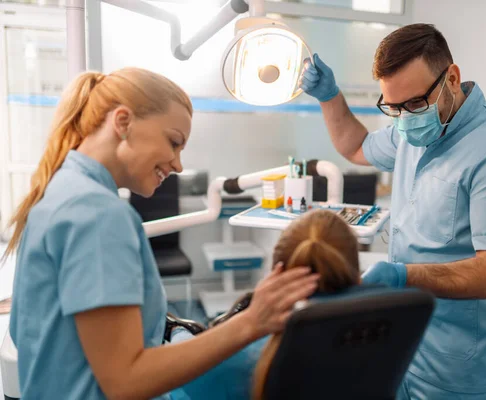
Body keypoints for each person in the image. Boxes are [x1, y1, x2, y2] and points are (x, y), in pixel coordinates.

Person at [1, 67, 319, 400]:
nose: (178, 164)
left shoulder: (60, 192)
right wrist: (252, 322)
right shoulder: (97, 214)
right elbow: (125, 381)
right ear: (122, 122)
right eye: (174, 142)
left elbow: (30, 338)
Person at [299, 23, 486, 399]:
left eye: (414, 104)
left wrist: (402, 276)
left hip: (459, 369)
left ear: (452, 78)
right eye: (393, 108)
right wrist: (329, 96)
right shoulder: (413, 128)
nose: (405, 118)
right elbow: (357, 146)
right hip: (404, 344)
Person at [169, 208, 361, 400]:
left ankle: (176, 328)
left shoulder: (227, 364)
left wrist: (178, 332)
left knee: (183, 334)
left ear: (275, 274)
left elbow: (177, 374)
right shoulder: (383, 330)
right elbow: (385, 272)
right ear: (355, 274)